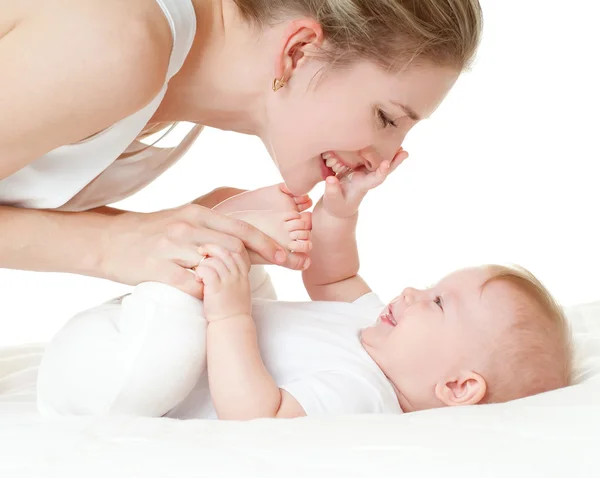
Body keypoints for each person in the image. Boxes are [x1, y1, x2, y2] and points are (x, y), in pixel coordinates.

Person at [0, 0, 483, 297]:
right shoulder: (114, 43)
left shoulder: (158, 60)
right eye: (386, 118)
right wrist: (109, 244)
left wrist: (187, 222)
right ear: (298, 51)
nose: (386, 157)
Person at [37, 167, 572, 419]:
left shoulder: (364, 396)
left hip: (107, 384)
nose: (411, 290)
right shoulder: (371, 334)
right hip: (123, 335)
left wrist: (229, 315)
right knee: (248, 275)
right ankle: (210, 247)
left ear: (457, 387)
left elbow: (258, 417)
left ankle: (201, 251)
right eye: (430, 286)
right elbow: (333, 276)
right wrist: (341, 210)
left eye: (437, 302)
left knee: (208, 309)